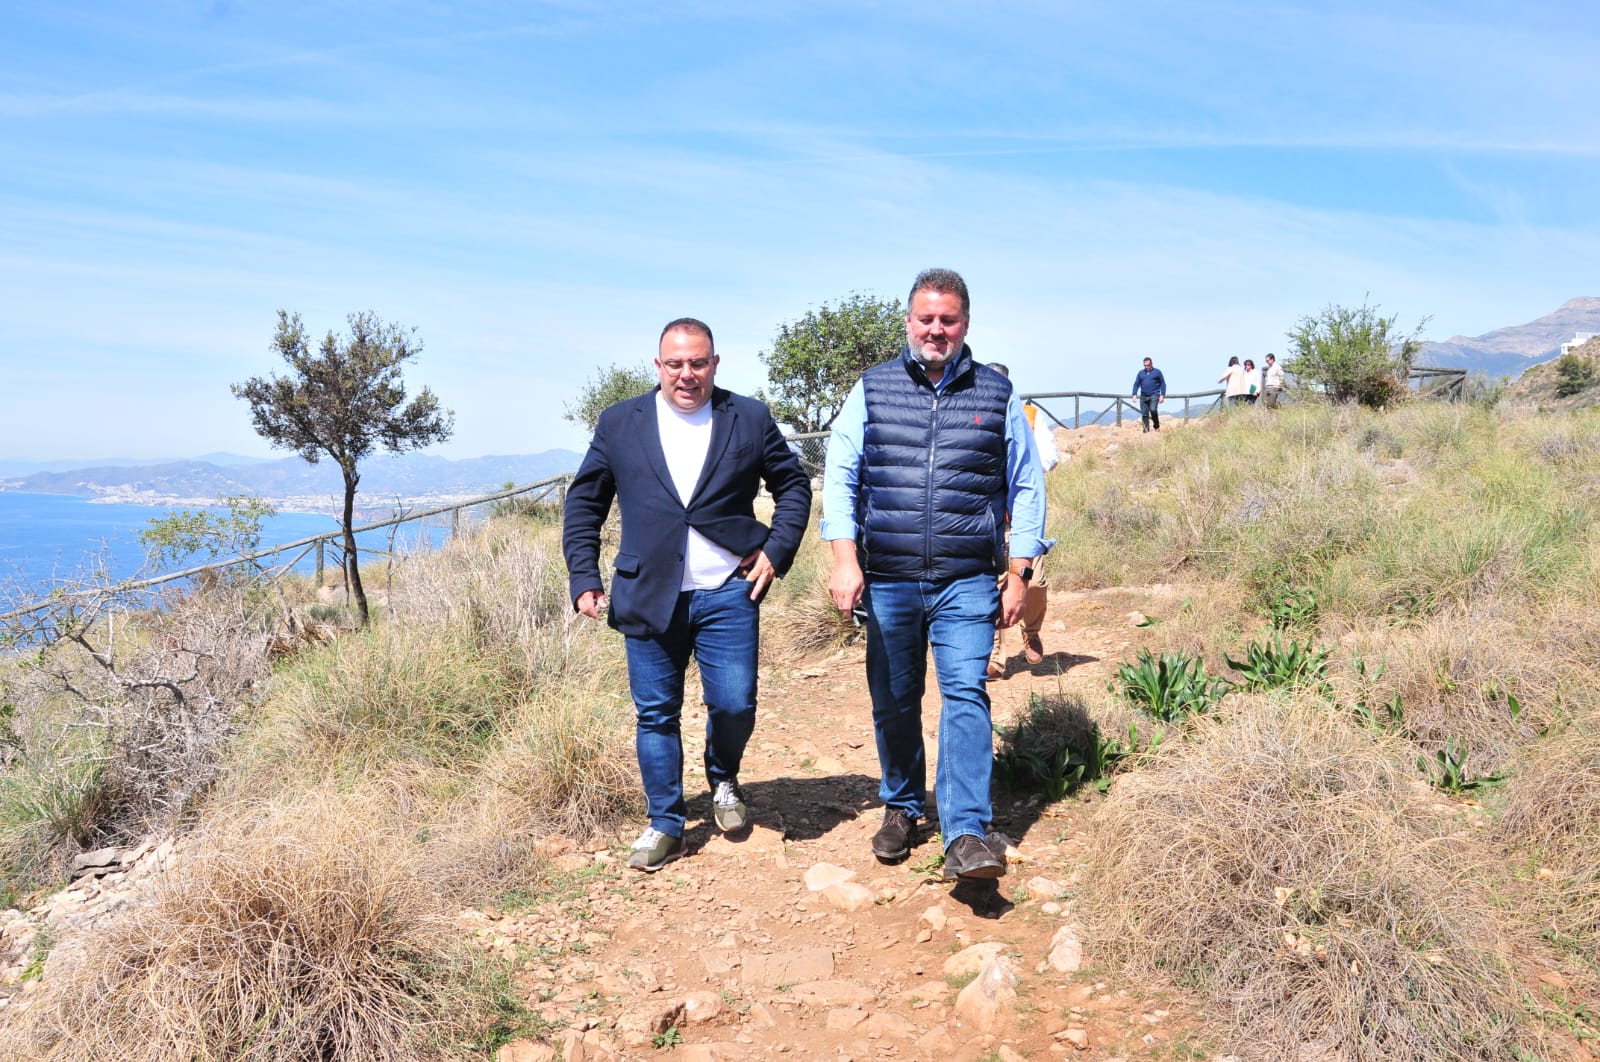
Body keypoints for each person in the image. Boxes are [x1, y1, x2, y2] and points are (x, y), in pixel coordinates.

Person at [821, 268, 1047, 882]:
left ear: (965, 324)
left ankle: (967, 832)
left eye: (948, 319)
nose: (936, 329)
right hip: (888, 576)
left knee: (966, 695)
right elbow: (840, 474)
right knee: (894, 699)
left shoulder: (997, 393)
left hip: (966, 578)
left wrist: (1022, 570)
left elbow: (1027, 485)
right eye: (926, 318)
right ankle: (900, 806)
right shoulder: (871, 388)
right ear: (909, 322)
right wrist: (845, 558)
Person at [562, 318, 812, 872]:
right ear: (658, 366)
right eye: (675, 363)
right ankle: (666, 823)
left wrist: (775, 550)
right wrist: (584, 577)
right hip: (648, 594)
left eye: (698, 362)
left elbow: (792, 485)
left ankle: (723, 778)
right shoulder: (620, 422)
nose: (686, 374)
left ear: (715, 364)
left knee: (735, 702)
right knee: (655, 714)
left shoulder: (747, 416)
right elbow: (584, 504)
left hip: (729, 588)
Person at [985, 362, 1056, 678]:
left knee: (1035, 582)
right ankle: (994, 654)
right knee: (992, 584)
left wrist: (1019, 466)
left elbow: (1048, 456)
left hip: (1023, 519)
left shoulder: (1028, 416)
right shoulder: (973, 416)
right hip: (988, 518)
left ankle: (1031, 630)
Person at [1131, 357, 1166, 432]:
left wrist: (1162, 395)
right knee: (1144, 414)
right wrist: (1134, 394)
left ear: (1151, 364)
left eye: (1148, 365)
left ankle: (1156, 426)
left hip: (1154, 394)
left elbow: (1163, 383)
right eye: (1145, 365)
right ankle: (1146, 431)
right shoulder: (1141, 373)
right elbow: (1136, 384)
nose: (1146, 367)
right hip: (1143, 396)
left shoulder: (1157, 372)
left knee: (1153, 410)